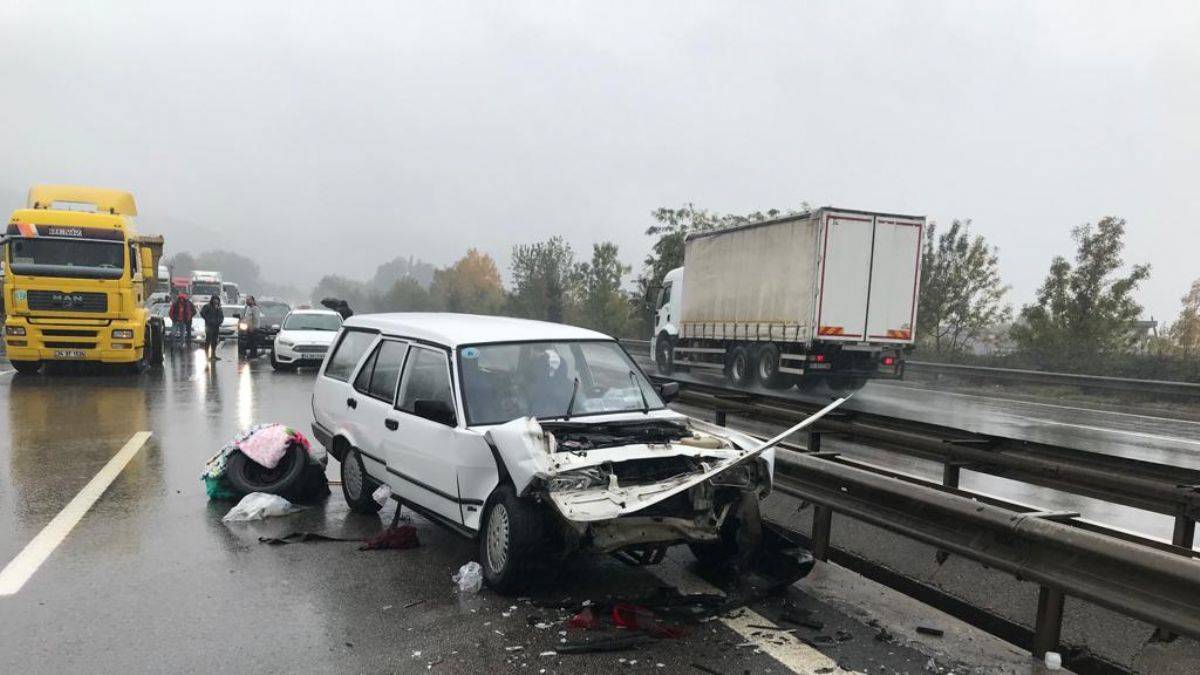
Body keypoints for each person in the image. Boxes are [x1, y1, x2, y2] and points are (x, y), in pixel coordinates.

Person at [199, 295, 223, 361]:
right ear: (212, 300)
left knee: (214, 342)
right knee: (208, 341)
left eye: (217, 299)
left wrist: (220, 321)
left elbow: (221, 316)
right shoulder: (207, 306)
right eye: (215, 299)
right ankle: (206, 356)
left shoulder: (219, 307)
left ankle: (213, 355)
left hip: (216, 326)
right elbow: (202, 313)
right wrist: (208, 319)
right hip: (209, 326)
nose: (216, 301)